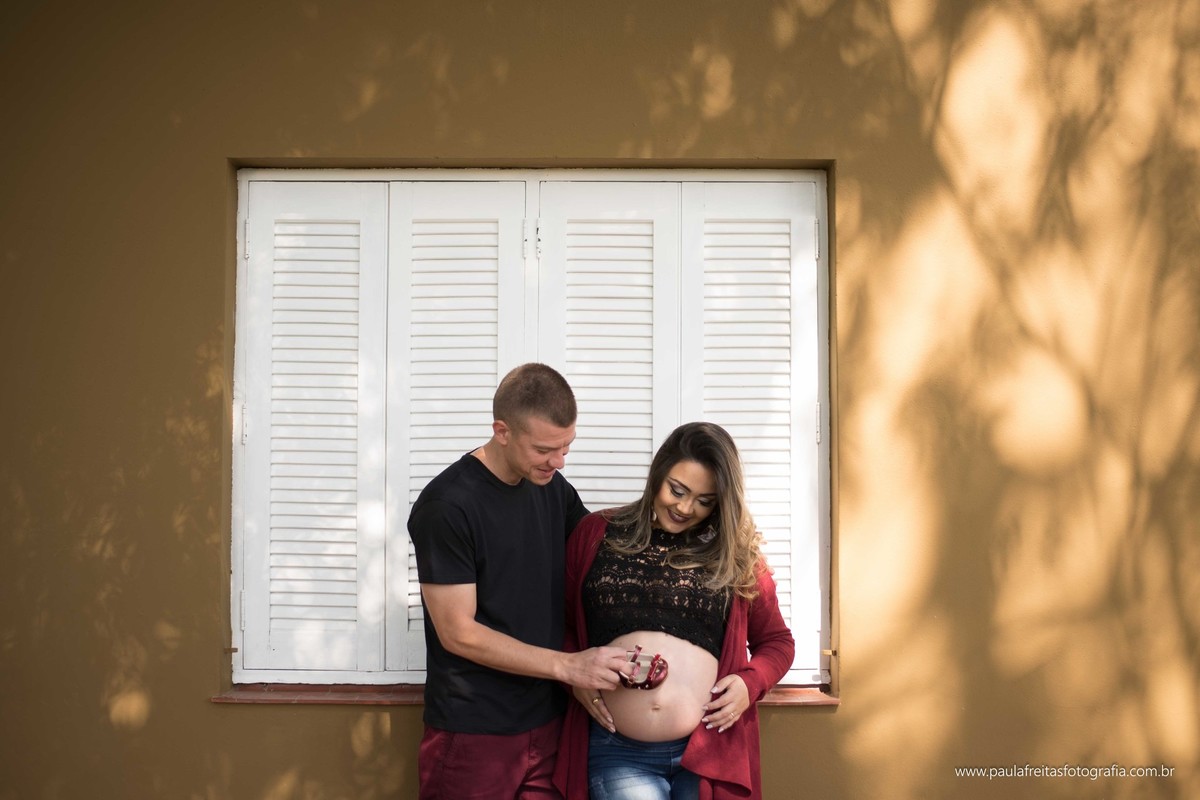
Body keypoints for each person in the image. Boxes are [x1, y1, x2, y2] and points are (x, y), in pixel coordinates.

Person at [408, 363, 635, 800]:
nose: (559, 461)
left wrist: (706, 545)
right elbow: (458, 634)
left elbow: (599, 550)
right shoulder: (447, 506)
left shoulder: (549, 484)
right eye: (546, 449)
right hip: (474, 729)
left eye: (567, 446)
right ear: (502, 430)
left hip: (548, 722)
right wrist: (569, 666)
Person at [553, 422, 795, 800]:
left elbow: (777, 642)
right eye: (677, 490)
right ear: (658, 473)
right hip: (620, 751)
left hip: (708, 752)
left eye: (705, 500)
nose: (685, 508)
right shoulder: (595, 534)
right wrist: (575, 676)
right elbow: (562, 626)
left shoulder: (736, 557)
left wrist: (751, 684)